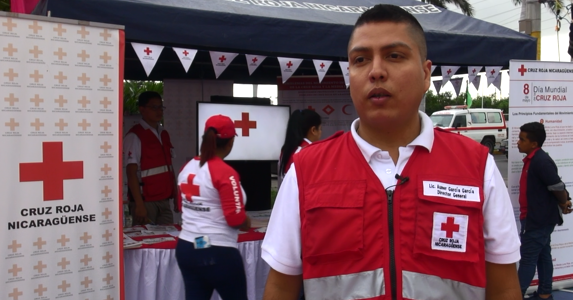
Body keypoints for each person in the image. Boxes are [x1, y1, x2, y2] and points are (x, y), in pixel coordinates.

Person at [261, 4, 522, 300]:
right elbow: (281, 288)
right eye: (361, 60)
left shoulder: (477, 167)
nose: (376, 71)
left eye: (394, 56)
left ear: (426, 74)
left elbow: (504, 287)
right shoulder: (306, 171)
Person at [175, 114, 251, 300]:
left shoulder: (187, 167)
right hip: (218, 252)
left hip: (187, 247)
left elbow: (181, 206)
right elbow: (235, 219)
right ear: (230, 142)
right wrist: (247, 221)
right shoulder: (225, 172)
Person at [517, 122, 572, 300]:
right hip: (539, 218)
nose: (518, 142)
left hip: (537, 220)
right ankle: (545, 293)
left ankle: (515, 295)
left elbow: (557, 185)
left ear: (534, 144)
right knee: (543, 255)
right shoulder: (534, 159)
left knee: (528, 259)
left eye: (522, 139)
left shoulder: (541, 161)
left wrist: (564, 202)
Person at [124, 91, 178, 225]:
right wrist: (139, 204)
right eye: (154, 107)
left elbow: (170, 169)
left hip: (165, 200)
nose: (159, 111)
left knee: (167, 240)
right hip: (146, 202)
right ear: (142, 109)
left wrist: (176, 195)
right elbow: (131, 173)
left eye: (161, 107)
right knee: (146, 239)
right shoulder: (135, 136)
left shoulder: (164, 133)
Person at [278, 109, 322, 187]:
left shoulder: (285, 150)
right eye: (320, 129)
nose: (321, 132)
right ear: (314, 130)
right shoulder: (309, 151)